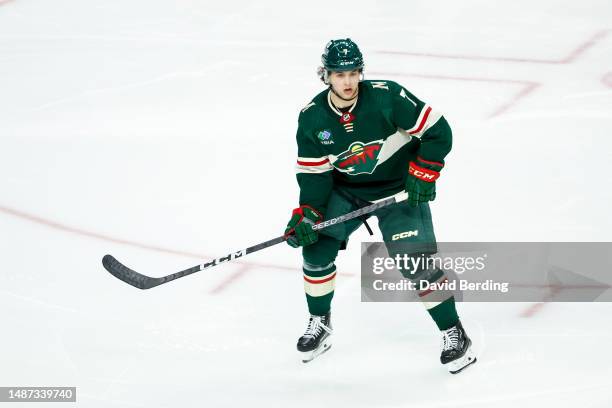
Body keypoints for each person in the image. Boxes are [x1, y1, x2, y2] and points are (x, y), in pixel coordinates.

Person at [283, 38, 477, 373]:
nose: (347, 81)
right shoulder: (313, 118)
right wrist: (309, 214)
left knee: (416, 262)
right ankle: (320, 323)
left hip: (398, 190)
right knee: (315, 252)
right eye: (339, 74)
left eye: (353, 72)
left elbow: (439, 132)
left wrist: (424, 171)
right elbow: (315, 176)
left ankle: (454, 333)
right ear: (325, 75)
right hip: (347, 193)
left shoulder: (388, 96)